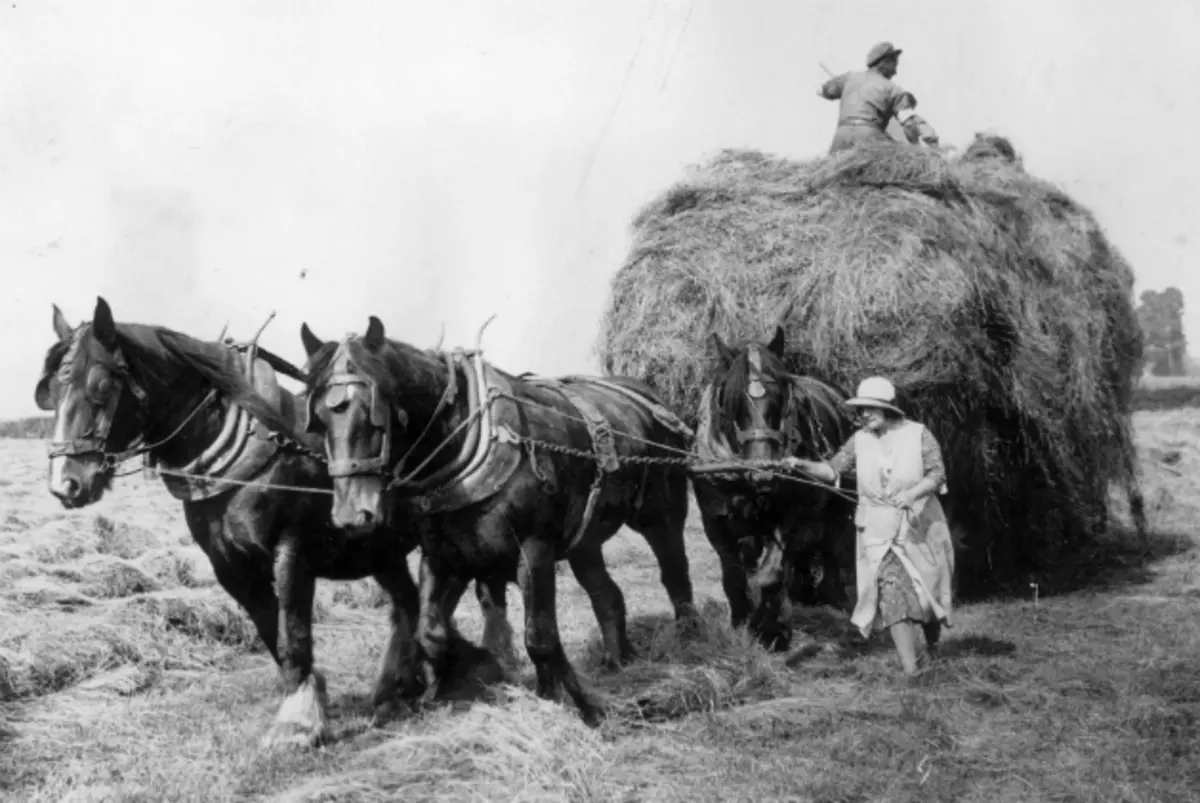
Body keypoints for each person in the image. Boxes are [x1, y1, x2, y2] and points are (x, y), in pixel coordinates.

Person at [785, 376, 954, 678]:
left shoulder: (918, 435)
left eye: (870, 409)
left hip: (918, 525)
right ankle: (911, 671)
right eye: (861, 409)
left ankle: (933, 648)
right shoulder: (859, 440)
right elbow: (831, 469)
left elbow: (937, 474)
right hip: (877, 529)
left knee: (925, 592)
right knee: (891, 591)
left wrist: (912, 494)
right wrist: (800, 464)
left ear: (889, 409)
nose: (863, 415)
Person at [818, 41, 940, 155]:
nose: (895, 72)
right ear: (886, 62)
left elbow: (822, 91)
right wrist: (915, 145)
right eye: (894, 65)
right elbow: (908, 124)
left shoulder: (850, 77)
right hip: (869, 137)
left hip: (840, 139)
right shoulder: (893, 90)